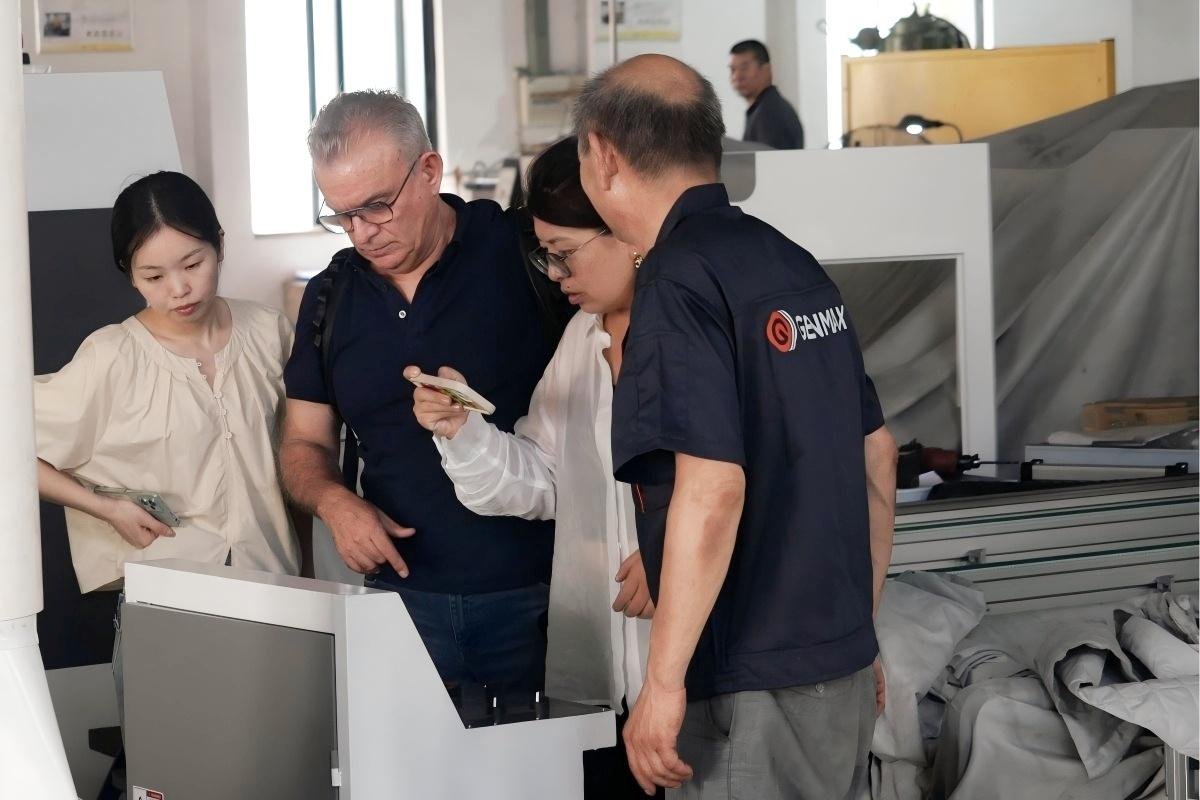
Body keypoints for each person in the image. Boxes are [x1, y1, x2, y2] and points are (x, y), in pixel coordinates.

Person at [573, 54, 898, 799]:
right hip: (836, 667)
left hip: (751, 687)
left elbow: (712, 488)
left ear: (603, 156)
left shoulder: (677, 282)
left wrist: (662, 683)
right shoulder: (787, 260)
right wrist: (855, 632)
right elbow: (876, 453)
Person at [281, 90, 567, 696]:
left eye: (377, 206)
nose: (361, 233)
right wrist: (335, 503)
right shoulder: (330, 299)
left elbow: (615, 390)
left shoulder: (524, 253)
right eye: (340, 215)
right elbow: (303, 441)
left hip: (546, 595)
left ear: (430, 171)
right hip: (401, 604)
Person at [409, 136, 660, 799]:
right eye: (544, 255)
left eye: (566, 253)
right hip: (615, 672)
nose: (553, 274)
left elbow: (762, 483)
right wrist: (464, 431)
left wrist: (672, 558)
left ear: (627, 230)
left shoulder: (703, 328)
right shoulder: (584, 338)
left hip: (706, 665)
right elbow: (549, 480)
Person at [34, 171, 307, 759]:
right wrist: (104, 507)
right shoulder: (111, 356)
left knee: (284, 766)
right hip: (168, 609)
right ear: (129, 274)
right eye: (152, 277)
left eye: (194, 263)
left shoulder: (269, 331)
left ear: (220, 246)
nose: (179, 289)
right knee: (177, 771)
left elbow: (301, 454)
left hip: (279, 597)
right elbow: (14, 447)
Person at [729, 39, 805, 150]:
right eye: (732, 69)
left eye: (744, 68)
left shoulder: (770, 112)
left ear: (766, 69)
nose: (736, 76)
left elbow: (770, 164)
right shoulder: (764, 107)